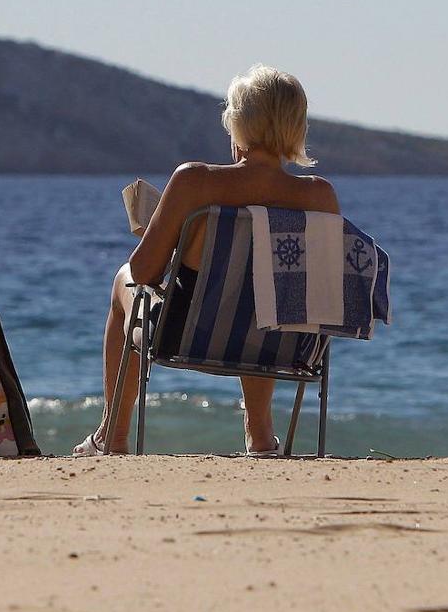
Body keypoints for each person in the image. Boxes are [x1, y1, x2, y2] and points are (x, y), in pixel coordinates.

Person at [73, 64, 340, 457]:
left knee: (122, 279)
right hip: (282, 343)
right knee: (263, 298)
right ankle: (261, 437)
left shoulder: (195, 181)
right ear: (296, 126)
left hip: (186, 334)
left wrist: (162, 234)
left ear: (238, 124)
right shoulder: (319, 197)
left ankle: (111, 437)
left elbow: (146, 272)